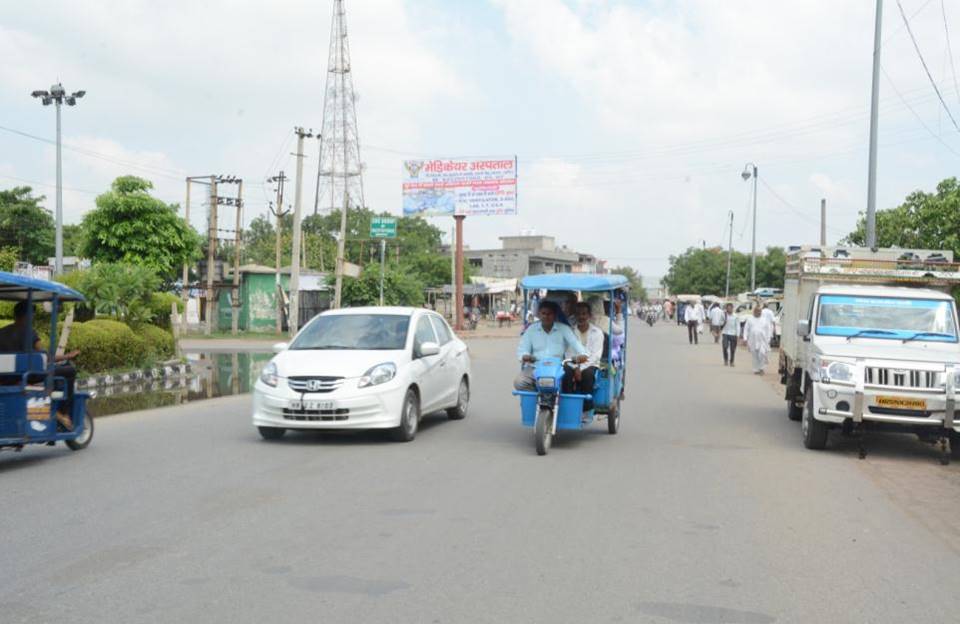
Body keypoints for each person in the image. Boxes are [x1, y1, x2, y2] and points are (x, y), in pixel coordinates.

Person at [0, 301, 80, 429]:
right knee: (69, 371)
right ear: (28, 316)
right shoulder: (29, 332)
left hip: (5, 377)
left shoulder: (2, 332)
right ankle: (64, 412)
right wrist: (67, 356)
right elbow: (45, 357)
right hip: (28, 375)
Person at [514, 300, 589, 391]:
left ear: (555, 315)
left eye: (549, 314)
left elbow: (576, 343)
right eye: (543, 313)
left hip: (558, 367)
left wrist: (582, 354)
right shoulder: (531, 329)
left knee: (568, 378)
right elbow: (523, 349)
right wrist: (525, 356)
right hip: (536, 366)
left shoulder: (564, 329)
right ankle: (536, 398)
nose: (546, 316)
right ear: (539, 314)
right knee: (519, 382)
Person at [564, 302, 603, 411]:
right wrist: (576, 368)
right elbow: (568, 353)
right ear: (575, 316)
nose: (581, 317)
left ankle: (586, 408)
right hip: (573, 363)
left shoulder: (597, 332)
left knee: (588, 374)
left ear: (589, 315)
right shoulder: (570, 331)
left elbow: (595, 356)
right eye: (578, 314)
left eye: (584, 314)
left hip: (590, 364)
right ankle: (567, 404)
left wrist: (581, 369)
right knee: (565, 371)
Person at [743, 305, 773, 374]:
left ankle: (762, 368)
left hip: (762, 340)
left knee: (762, 353)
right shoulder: (750, 319)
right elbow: (746, 329)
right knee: (755, 355)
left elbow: (768, 330)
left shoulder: (764, 319)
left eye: (759, 311)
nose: (758, 312)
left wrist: (768, 339)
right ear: (754, 312)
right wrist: (745, 338)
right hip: (752, 340)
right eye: (756, 311)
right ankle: (756, 369)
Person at [720, 302, 739, 366]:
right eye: (728, 308)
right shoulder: (723, 315)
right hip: (725, 333)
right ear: (726, 309)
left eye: (731, 308)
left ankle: (732, 361)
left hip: (733, 334)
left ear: (732, 308)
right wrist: (723, 321)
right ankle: (726, 360)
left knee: (732, 349)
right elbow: (720, 323)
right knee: (725, 347)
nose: (729, 310)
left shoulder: (736, 316)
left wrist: (738, 335)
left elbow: (737, 326)